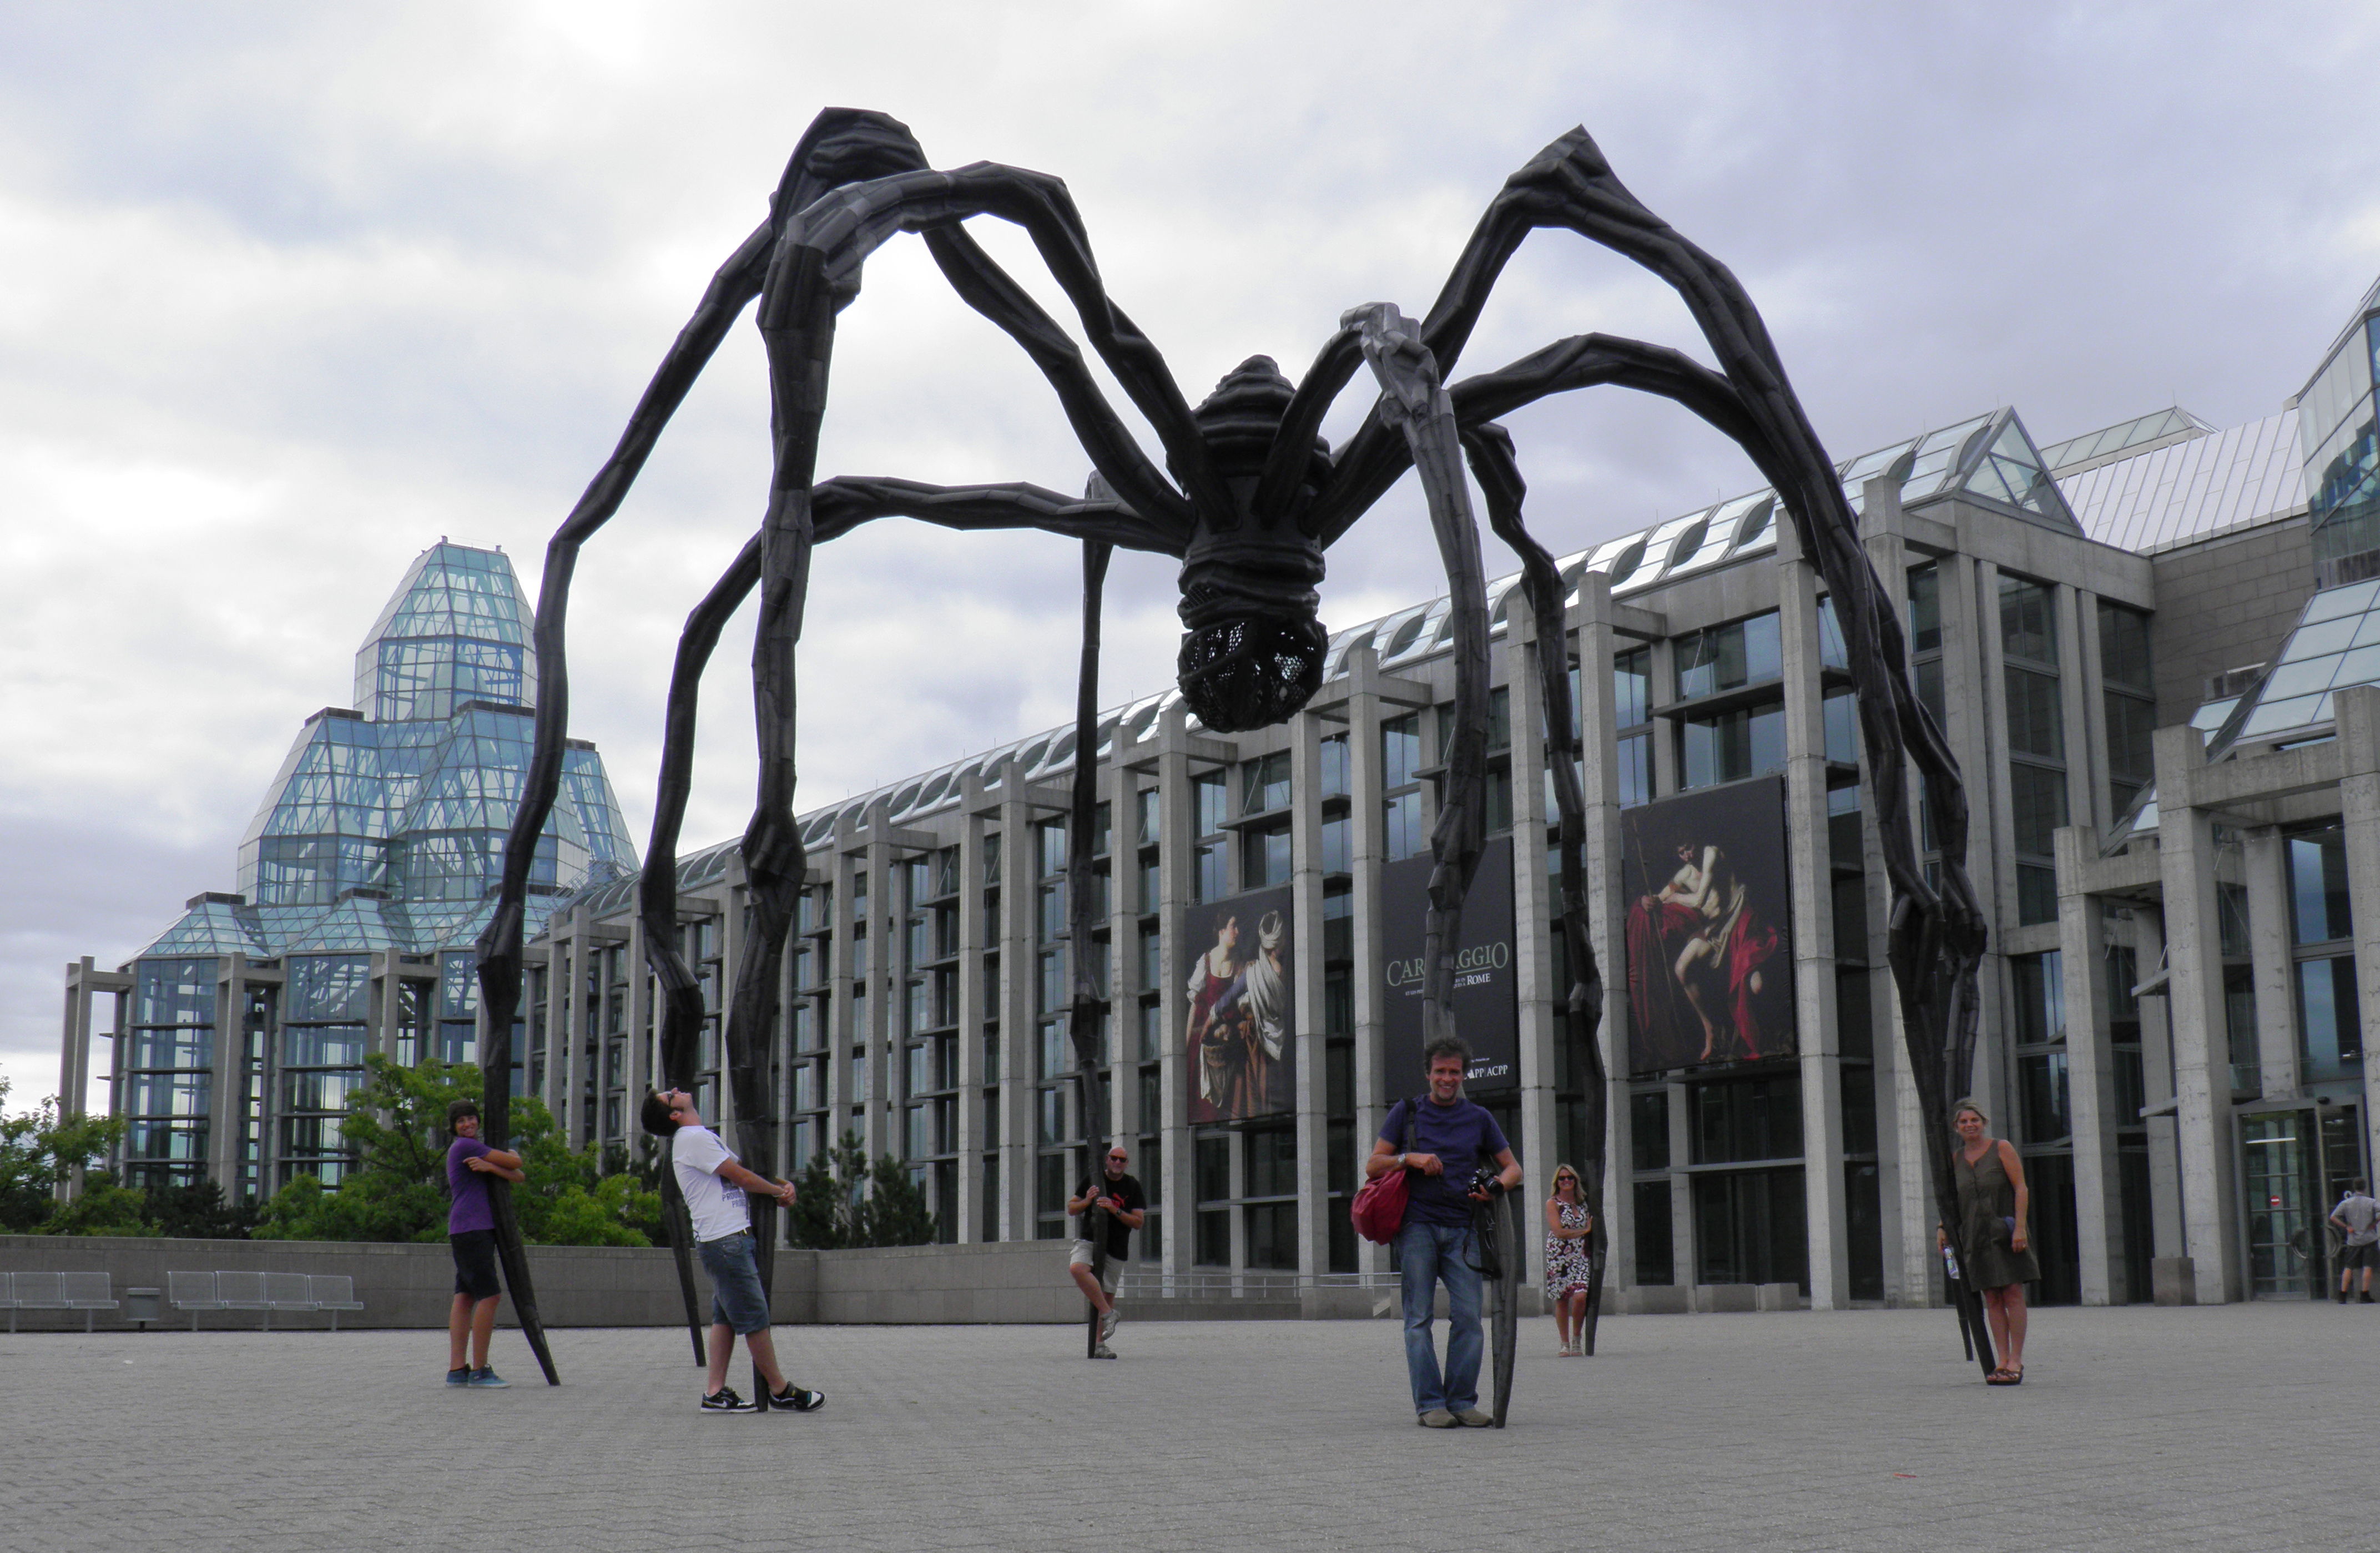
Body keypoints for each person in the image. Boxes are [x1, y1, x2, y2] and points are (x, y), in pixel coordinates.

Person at [1365, 1036, 1521, 1427]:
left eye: (1454, 1072)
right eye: (1440, 1072)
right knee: (1418, 1318)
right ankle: (1430, 1405)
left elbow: (1513, 1168)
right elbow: (1373, 1165)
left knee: (1469, 1317)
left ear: (1464, 1075)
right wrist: (1410, 1158)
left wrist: (1496, 1187)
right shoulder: (1407, 1112)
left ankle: (1462, 1401)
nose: (1447, 1079)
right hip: (1416, 1226)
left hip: (1463, 1229)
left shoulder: (1479, 1117)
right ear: (1428, 1073)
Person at [640, 1088, 824, 1414]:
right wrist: (778, 1191)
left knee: (725, 1317)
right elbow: (739, 1176)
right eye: (670, 1095)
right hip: (725, 1240)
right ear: (674, 1114)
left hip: (724, 1240)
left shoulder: (700, 1137)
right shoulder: (691, 1138)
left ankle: (714, 1392)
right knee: (755, 1317)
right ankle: (781, 1390)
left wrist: (781, 1184)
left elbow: (742, 1170)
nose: (677, 1090)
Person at [1938, 1099, 2038, 1385]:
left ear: (1984, 1123)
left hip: (2004, 1231)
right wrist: (1942, 1228)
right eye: (1964, 1122)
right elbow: (1952, 1201)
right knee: (1991, 1297)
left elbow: (2021, 1187)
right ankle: (2002, 1359)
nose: (1970, 1125)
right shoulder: (1956, 1160)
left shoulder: (2001, 1148)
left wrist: (2020, 1227)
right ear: (1956, 1128)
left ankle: (2016, 1360)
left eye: (1975, 1120)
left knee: (2012, 1293)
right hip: (1974, 1235)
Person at [444, 1097, 523, 1388]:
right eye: (461, 1121)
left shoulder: (473, 1150)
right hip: (473, 1229)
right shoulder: (467, 1146)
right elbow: (517, 1163)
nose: (468, 1124)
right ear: (454, 1128)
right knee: (490, 1296)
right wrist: (506, 1158)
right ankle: (479, 1370)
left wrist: (491, 1168)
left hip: (466, 1229)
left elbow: (518, 1176)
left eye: (471, 1118)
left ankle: (457, 1371)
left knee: (465, 1296)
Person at [1066, 1141, 1147, 1359]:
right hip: (1089, 1239)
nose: (1118, 1163)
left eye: (1122, 1160)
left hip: (1117, 1245)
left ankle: (1099, 1345)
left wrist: (1114, 1209)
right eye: (1114, 1158)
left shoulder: (1132, 1186)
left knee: (1108, 1292)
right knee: (1077, 1268)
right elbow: (1072, 1208)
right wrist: (1088, 1200)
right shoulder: (1092, 1180)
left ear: (1127, 1163)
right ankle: (1108, 1313)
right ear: (1107, 1160)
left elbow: (1138, 1222)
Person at [1543, 1163, 1595, 1357]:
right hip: (1559, 1255)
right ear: (1557, 1182)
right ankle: (1564, 1343)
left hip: (1580, 1255)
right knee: (1562, 1298)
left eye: (1570, 1178)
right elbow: (1558, 1231)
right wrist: (1584, 1231)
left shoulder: (1583, 1202)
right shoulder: (1553, 1203)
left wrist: (1585, 1235)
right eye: (1562, 1178)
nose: (1566, 1181)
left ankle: (1577, 1338)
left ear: (1575, 1180)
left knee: (1580, 1296)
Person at [2329, 1179, 2378, 1303]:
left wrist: (2346, 1226)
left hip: (2353, 1240)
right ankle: (2365, 1294)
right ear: (2365, 1188)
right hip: (2369, 1238)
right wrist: (2375, 1222)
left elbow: (2333, 1217)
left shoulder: (2346, 1203)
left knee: (2349, 1267)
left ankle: (2343, 1294)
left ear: (2354, 1188)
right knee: (2368, 1267)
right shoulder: (2371, 1202)